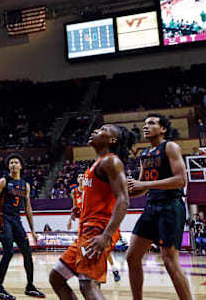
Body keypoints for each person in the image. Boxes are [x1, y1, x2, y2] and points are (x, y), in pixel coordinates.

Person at [49, 125, 131, 300]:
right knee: (56, 277)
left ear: (112, 140)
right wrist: (82, 209)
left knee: (88, 284)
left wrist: (106, 236)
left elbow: (123, 200)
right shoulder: (96, 164)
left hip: (98, 230)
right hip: (86, 229)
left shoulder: (111, 161)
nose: (95, 131)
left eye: (103, 129)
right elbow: (102, 196)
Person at [126, 114, 192, 300]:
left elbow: (181, 180)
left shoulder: (170, 147)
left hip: (170, 206)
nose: (146, 127)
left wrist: (145, 185)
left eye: (151, 123)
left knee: (170, 261)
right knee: (132, 257)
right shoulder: (144, 154)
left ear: (163, 129)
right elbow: (140, 187)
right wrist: (123, 190)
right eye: (145, 124)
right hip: (151, 207)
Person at [0, 154, 44, 299]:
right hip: (3, 218)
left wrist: (33, 231)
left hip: (16, 220)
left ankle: (30, 286)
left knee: (27, 252)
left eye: (16, 162)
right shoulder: (4, 181)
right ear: (8, 166)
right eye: (11, 162)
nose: (13, 165)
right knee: (9, 251)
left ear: (21, 166)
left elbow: (28, 209)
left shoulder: (25, 186)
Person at [68, 173, 121, 283]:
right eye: (79, 177)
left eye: (83, 176)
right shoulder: (75, 192)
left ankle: (114, 269)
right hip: (83, 224)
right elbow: (74, 207)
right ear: (77, 180)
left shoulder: (90, 190)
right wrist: (70, 220)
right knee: (81, 248)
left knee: (102, 249)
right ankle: (85, 271)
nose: (81, 178)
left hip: (95, 223)